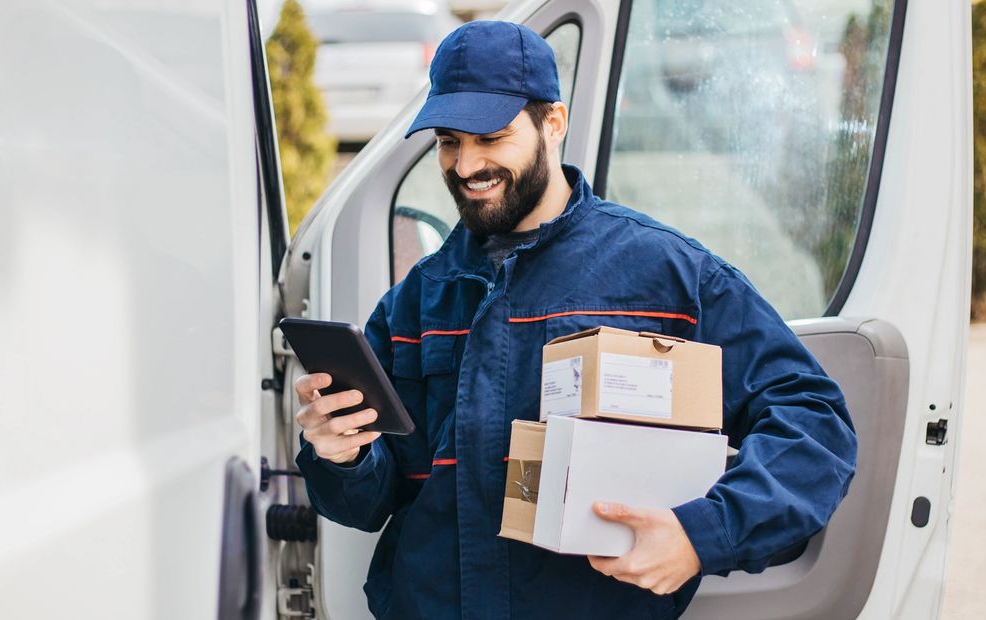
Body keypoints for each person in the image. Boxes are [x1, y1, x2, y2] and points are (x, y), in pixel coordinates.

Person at [293, 20, 856, 620]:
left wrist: (703, 534)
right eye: (449, 141)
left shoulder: (667, 275)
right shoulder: (418, 302)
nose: (465, 164)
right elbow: (374, 500)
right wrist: (342, 456)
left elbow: (814, 422)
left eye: (492, 137)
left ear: (553, 124)